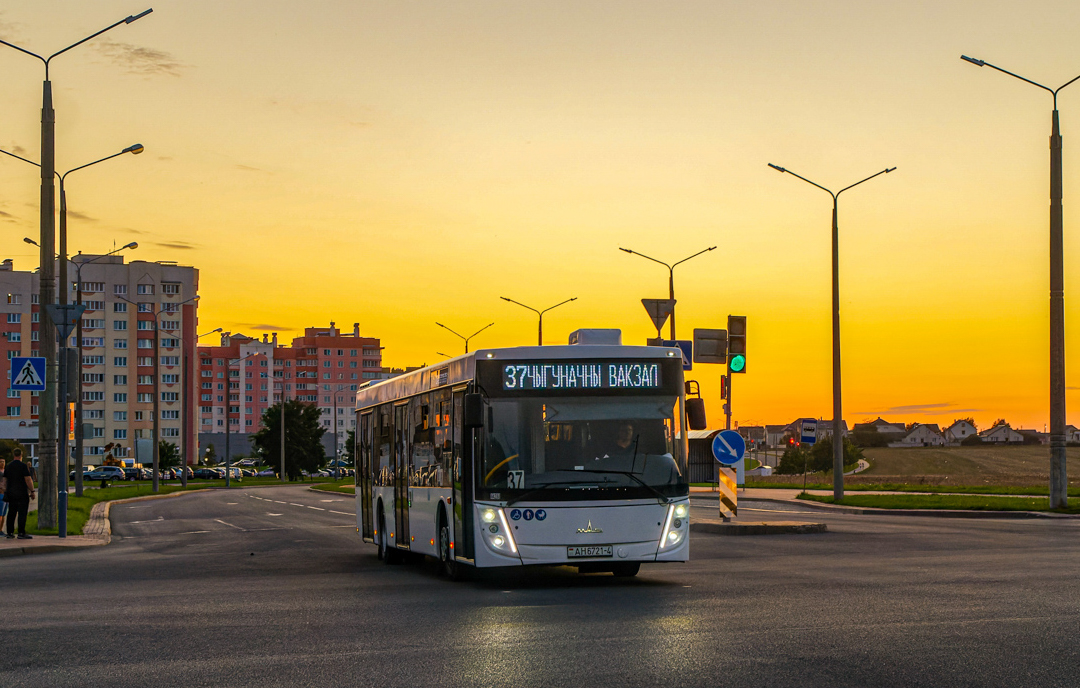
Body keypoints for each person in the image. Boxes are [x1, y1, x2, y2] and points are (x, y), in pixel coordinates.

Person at [4, 448, 35, 540]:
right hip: (21, 493)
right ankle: (21, 532)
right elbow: (28, 479)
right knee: (22, 513)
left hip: (11, 492)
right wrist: (32, 491)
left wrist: (6, 491)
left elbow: (5, 480)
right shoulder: (23, 466)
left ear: (14, 455)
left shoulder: (8, 466)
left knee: (11, 513)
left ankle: (9, 532)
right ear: (21, 455)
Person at [0, 457, 7, 523]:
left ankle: (1, 530)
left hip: (6, 494)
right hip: (1, 493)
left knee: (4, 514)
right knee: (0, 514)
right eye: (1, 462)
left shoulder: (6, 471)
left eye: (3, 462)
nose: (2, 463)